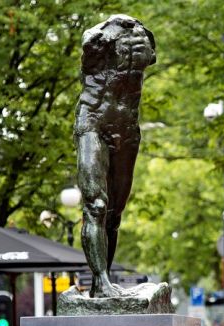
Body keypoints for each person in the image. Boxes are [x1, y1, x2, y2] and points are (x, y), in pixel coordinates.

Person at [75, 15, 156, 297]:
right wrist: (107, 31)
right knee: (95, 205)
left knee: (114, 215)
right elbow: (88, 51)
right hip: (93, 122)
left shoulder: (144, 35)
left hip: (128, 128)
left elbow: (148, 59)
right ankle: (99, 281)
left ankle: (104, 284)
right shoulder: (97, 37)